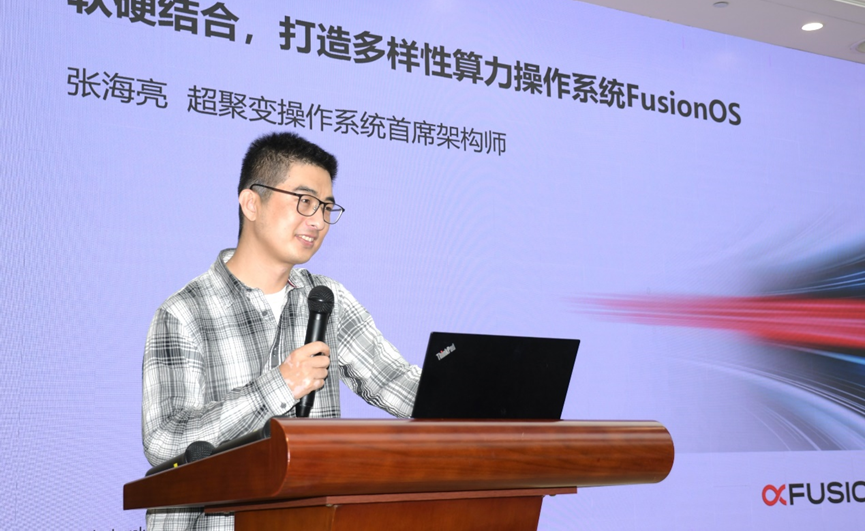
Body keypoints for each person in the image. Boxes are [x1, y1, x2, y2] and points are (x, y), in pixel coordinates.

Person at [141, 132, 421, 530]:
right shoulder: (185, 312)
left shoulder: (327, 299)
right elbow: (165, 441)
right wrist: (281, 386)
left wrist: (491, 401)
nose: (318, 221)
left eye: (327, 207)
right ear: (251, 203)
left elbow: (398, 384)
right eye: (304, 201)